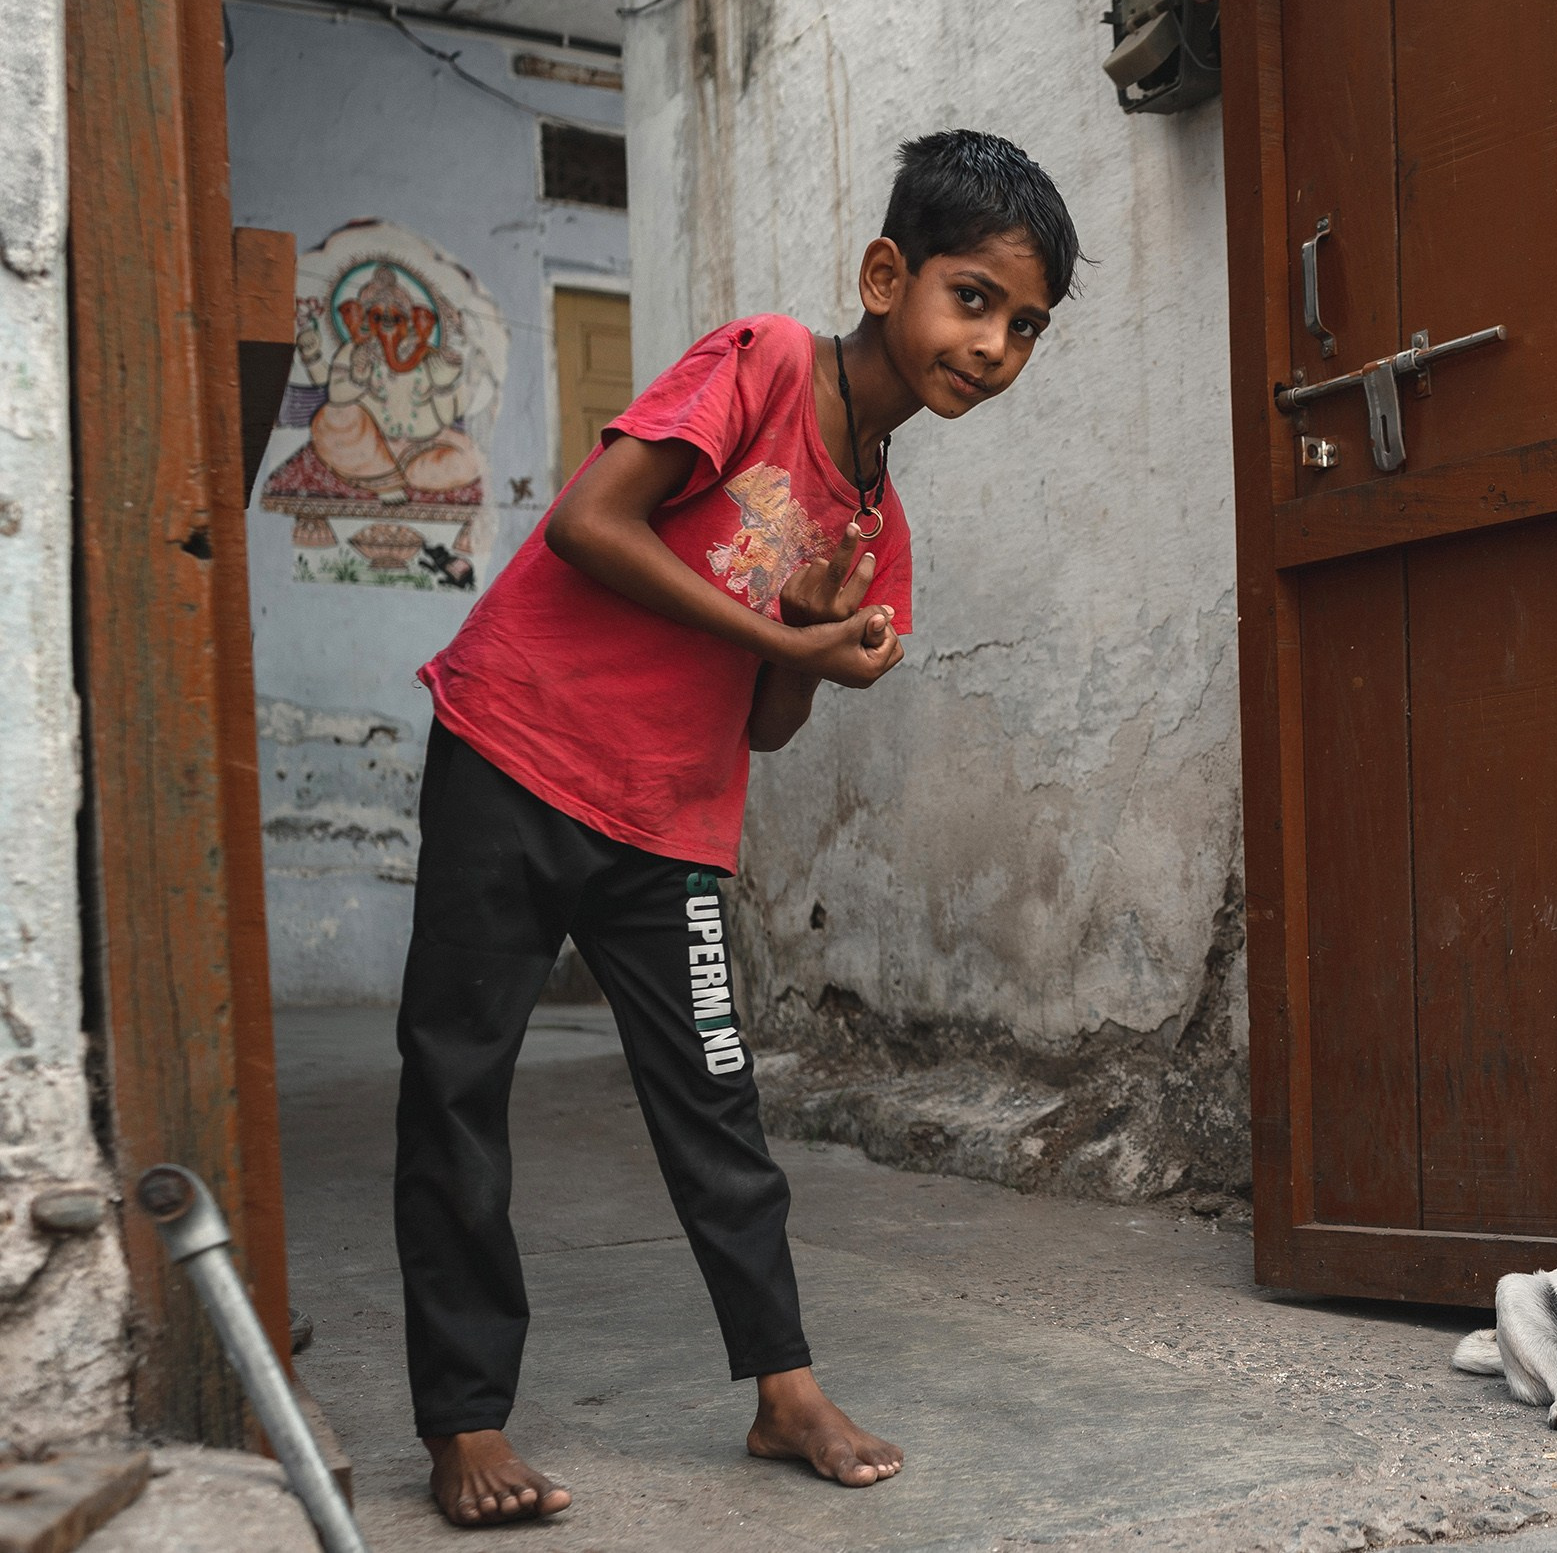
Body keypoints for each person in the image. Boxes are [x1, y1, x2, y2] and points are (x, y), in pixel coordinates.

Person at [393, 129, 1079, 1525]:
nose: (995, 345)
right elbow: (593, 520)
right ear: (887, 275)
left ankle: (782, 1386)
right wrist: (788, 634)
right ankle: (465, 1415)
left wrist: (810, 641)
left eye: (1026, 326)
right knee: (459, 1079)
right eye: (974, 298)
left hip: (669, 818)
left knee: (717, 1100)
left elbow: (767, 721)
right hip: (514, 746)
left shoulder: (879, 522)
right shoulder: (765, 362)